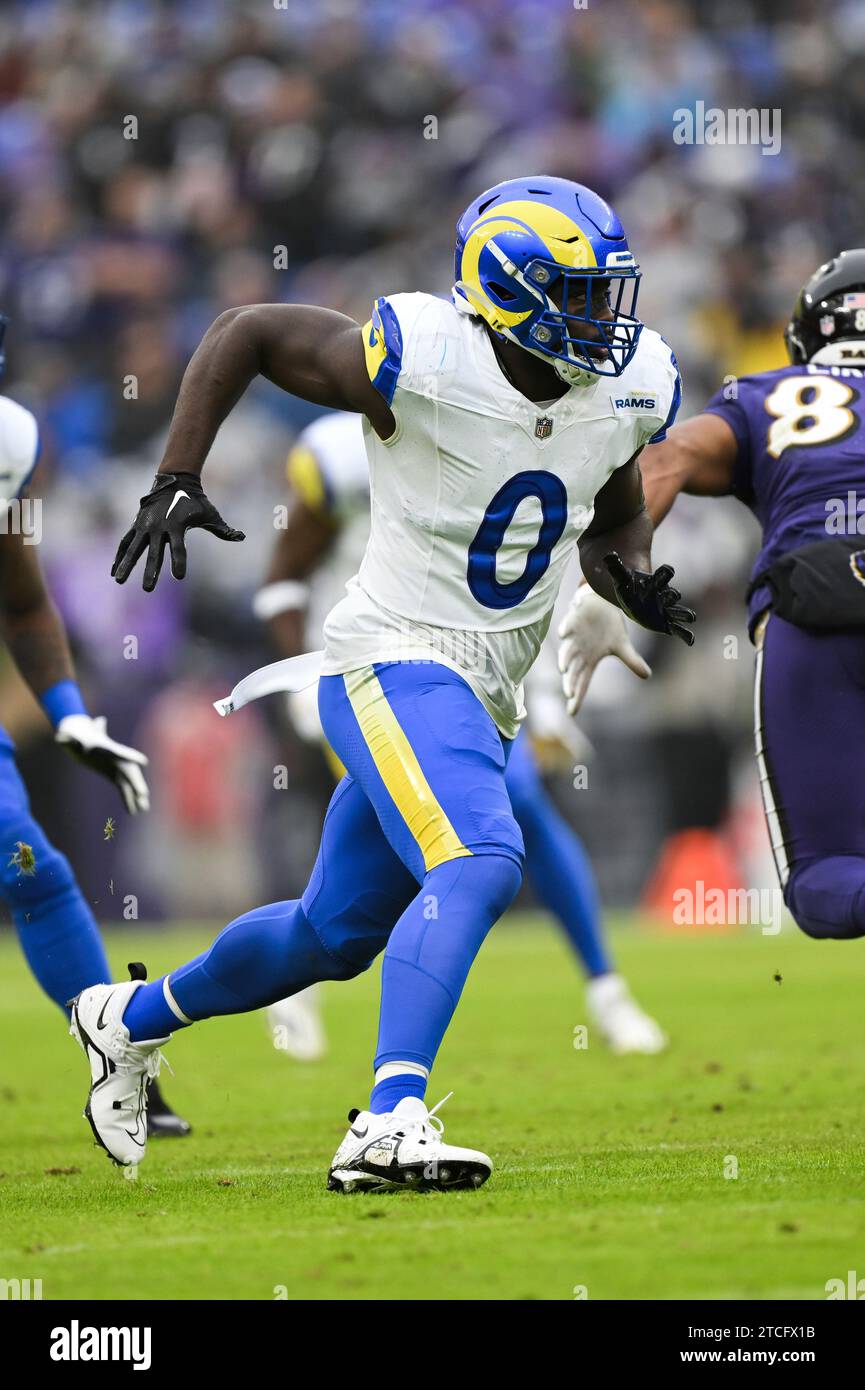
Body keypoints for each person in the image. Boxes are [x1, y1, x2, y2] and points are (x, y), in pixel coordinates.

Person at [71, 176, 693, 1190]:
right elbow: (246, 328)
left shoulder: (623, 389)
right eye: (578, 295)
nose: (605, 321)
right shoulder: (424, 354)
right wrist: (177, 473)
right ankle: (388, 1117)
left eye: (606, 295)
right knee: (485, 856)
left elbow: (614, 501)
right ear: (509, 291)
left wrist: (623, 581)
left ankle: (124, 1020)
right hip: (391, 654)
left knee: (332, 934)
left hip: (480, 688)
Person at [257, 409, 667, 1060]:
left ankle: (604, 988)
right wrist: (301, 686)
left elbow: (506, 587)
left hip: (470, 670)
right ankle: (299, 987)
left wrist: (539, 695)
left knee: (508, 811)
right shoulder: (339, 455)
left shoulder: (490, 429)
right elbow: (281, 582)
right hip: (370, 672)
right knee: (413, 851)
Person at [559, 249, 865, 944]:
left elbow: (660, 462)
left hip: (817, 606)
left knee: (826, 886)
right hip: (813, 603)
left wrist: (607, 586)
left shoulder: (766, 397)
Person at [0, 317, 188, 1139]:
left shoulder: (8, 440)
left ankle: (120, 1068)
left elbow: (23, 598)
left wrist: (70, 716)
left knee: (32, 865)